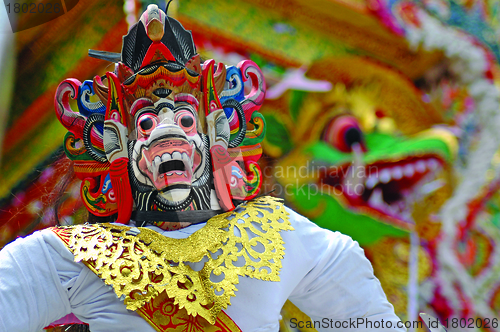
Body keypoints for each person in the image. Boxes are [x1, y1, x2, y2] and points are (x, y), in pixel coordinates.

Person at [0, 5, 405, 332]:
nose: (166, 128)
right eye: (145, 122)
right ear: (117, 145)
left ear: (217, 136)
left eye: (185, 118)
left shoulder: (277, 235)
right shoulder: (68, 257)